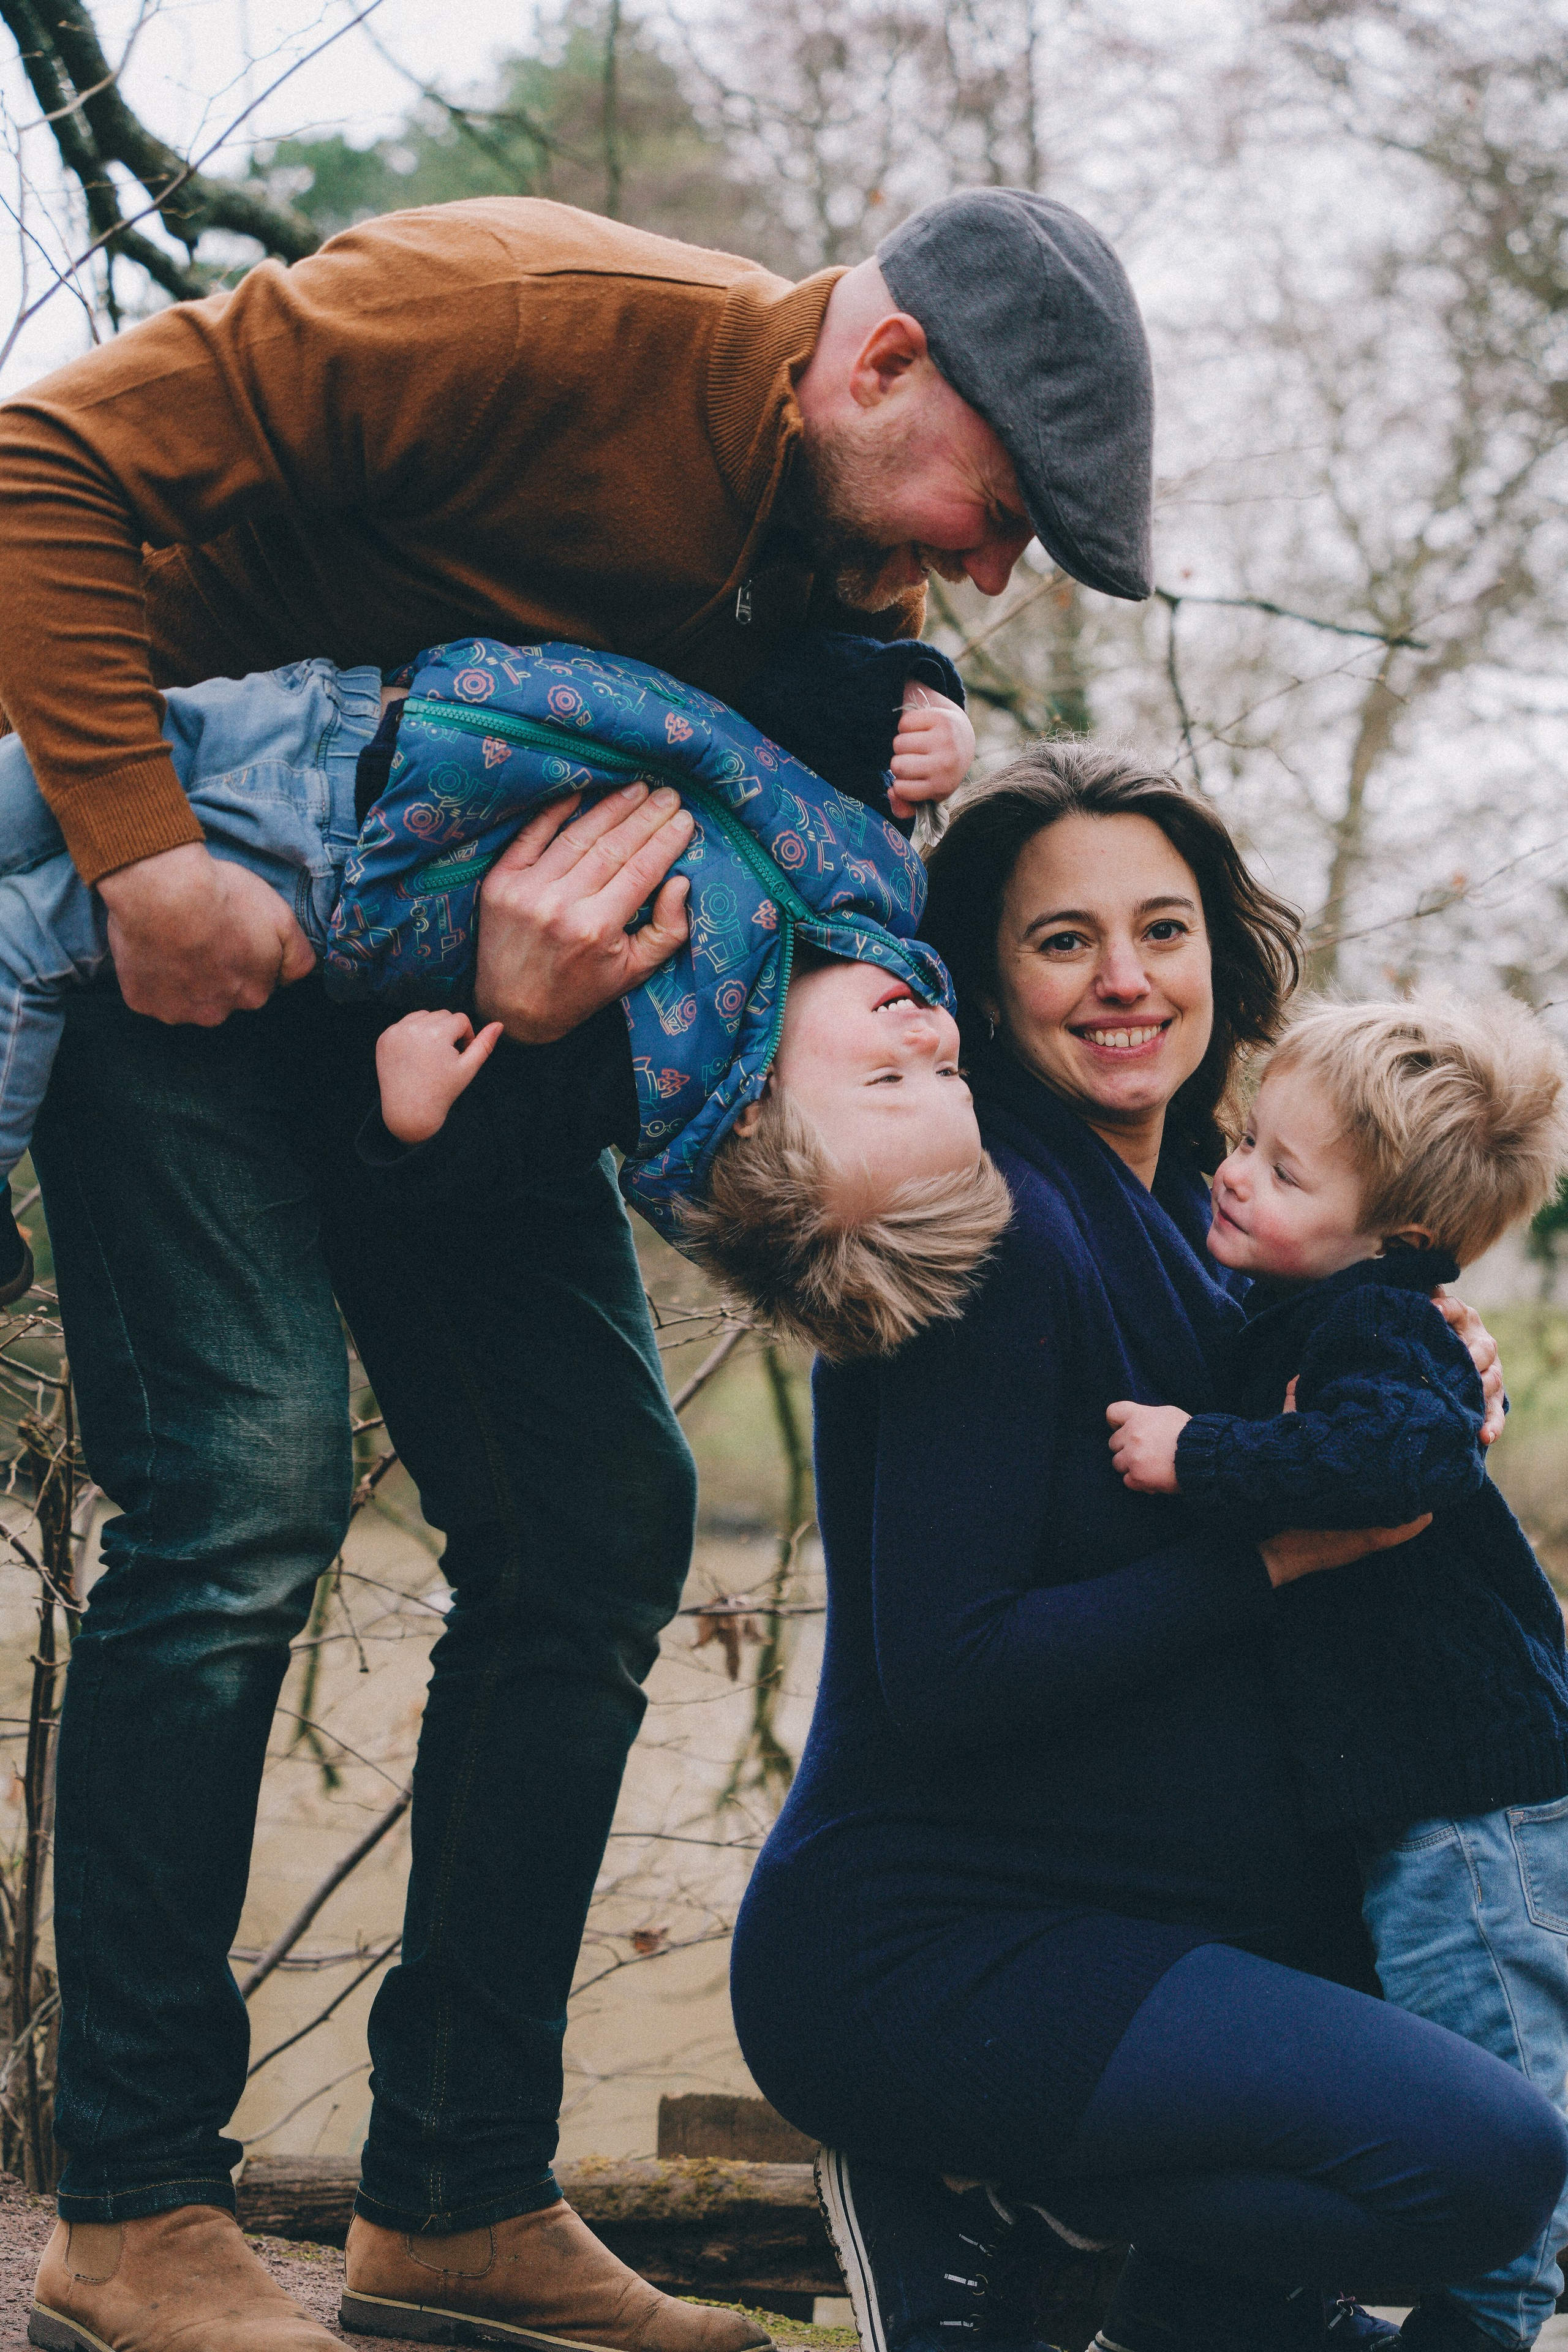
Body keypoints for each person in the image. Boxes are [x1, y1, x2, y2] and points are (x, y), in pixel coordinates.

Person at [0, 179, 1155, 2351]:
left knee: (602, 1515)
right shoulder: (526, 317)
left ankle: (455, 2203)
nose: (989, 572)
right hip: (195, 909)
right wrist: (141, 856)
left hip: (482, 1023)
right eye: (996, 516)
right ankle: (134, 2210)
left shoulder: (849, 539)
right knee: (243, 1489)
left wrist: (908, 705)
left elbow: (754, 880)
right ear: (883, 363)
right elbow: (39, 465)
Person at [726, 742, 1559, 2352]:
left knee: (1504, 2084)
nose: (1125, 980)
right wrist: (1274, 1559)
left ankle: (1186, 2305)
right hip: (941, 1953)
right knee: (1494, 2168)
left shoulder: (1213, 1223)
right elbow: (952, 1672)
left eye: (1162, 931)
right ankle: (982, 2186)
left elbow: (1358, 1413)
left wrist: (1421, 1370)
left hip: (1162, 1936)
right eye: (1063, 940)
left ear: (1218, 957)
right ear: (985, 983)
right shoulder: (989, 1227)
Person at [0, 631, 1008, 1360]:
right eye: (952, 1075)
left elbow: (487, 1157)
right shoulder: (878, 870)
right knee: (45, 785)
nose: (928, 1040)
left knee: (32, 937)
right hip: (344, 715)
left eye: (890, 1081)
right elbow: (787, 683)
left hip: (328, 871)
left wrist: (413, 1120)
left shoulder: (646, 1072)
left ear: (756, 1112)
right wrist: (916, 707)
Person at [1107, 992, 1568, 2352]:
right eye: (1246, 1141)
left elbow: (1404, 1457)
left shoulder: (1375, 1321)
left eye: (1284, 1171)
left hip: (1473, 1811)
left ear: (1395, 1238)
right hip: (1425, 1805)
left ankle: (1486, 2327)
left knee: (1503, 2103)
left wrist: (1197, 1453)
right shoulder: (1306, 1304)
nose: (1236, 1174)